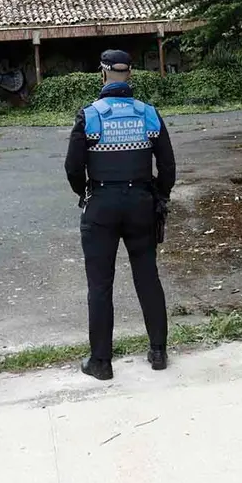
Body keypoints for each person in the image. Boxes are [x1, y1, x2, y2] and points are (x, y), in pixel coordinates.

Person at [65, 50, 177, 380]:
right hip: (141, 202)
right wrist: (158, 192)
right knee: (147, 277)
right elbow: (168, 166)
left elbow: (73, 168)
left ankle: (100, 362)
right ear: (129, 75)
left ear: (102, 75)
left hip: (101, 204)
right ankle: (158, 352)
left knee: (100, 284)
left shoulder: (89, 116)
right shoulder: (149, 114)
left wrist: (85, 191)